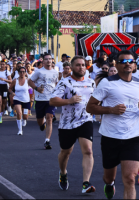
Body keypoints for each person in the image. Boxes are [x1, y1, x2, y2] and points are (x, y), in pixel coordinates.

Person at [86, 50, 139, 199]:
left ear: (134, 65)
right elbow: (90, 107)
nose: (127, 64)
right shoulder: (107, 83)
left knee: (130, 179)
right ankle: (109, 184)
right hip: (111, 136)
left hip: (132, 136)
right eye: (123, 61)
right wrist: (110, 110)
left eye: (130, 61)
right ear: (116, 64)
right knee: (109, 177)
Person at [50, 55, 96, 193]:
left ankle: (86, 183)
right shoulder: (65, 82)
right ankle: (63, 173)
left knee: (88, 150)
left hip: (85, 120)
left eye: (83, 65)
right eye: (78, 65)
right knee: (65, 152)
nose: (81, 67)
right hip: (67, 123)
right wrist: (69, 101)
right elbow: (52, 101)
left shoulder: (91, 82)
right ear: (71, 67)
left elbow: (97, 100)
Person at [28, 54, 59, 149]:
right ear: (43, 61)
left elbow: (56, 83)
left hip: (51, 98)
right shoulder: (39, 72)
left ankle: (47, 141)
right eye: (47, 59)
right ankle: (42, 125)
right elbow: (29, 81)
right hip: (40, 99)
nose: (49, 61)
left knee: (49, 118)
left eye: (50, 59)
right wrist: (36, 88)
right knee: (40, 120)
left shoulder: (55, 72)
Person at [8, 67, 30, 135]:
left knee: (25, 116)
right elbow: (10, 89)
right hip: (17, 98)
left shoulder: (28, 80)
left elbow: (33, 88)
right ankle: (20, 130)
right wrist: (12, 92)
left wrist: (33, 97)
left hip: (26, 99)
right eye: (20, 72)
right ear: (18, 73)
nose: (22, 73)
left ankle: (24, 119)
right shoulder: (15, 80)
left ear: (25, 72)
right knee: (19, 113)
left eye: (23, 71)